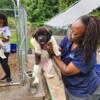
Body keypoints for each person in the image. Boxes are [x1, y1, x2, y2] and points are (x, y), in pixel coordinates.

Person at [45, 15, 100, 100]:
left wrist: (52, 54)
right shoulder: (69, 39)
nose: (70, 34)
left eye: (75, 34)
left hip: (83, 92)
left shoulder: (87, 53)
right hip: (70, 86)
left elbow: (66, 71)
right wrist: (53, 47)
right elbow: (60, 49)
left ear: (85, 37)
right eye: (71, 29)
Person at [0, 13, 12, 82]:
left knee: (4, 63)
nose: (1, 22)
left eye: (2, 21)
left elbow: (7, 39)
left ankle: (9, 77)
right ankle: (7, 75)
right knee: (3, 63)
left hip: (5, 49)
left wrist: (1, 39)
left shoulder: (6, 28)